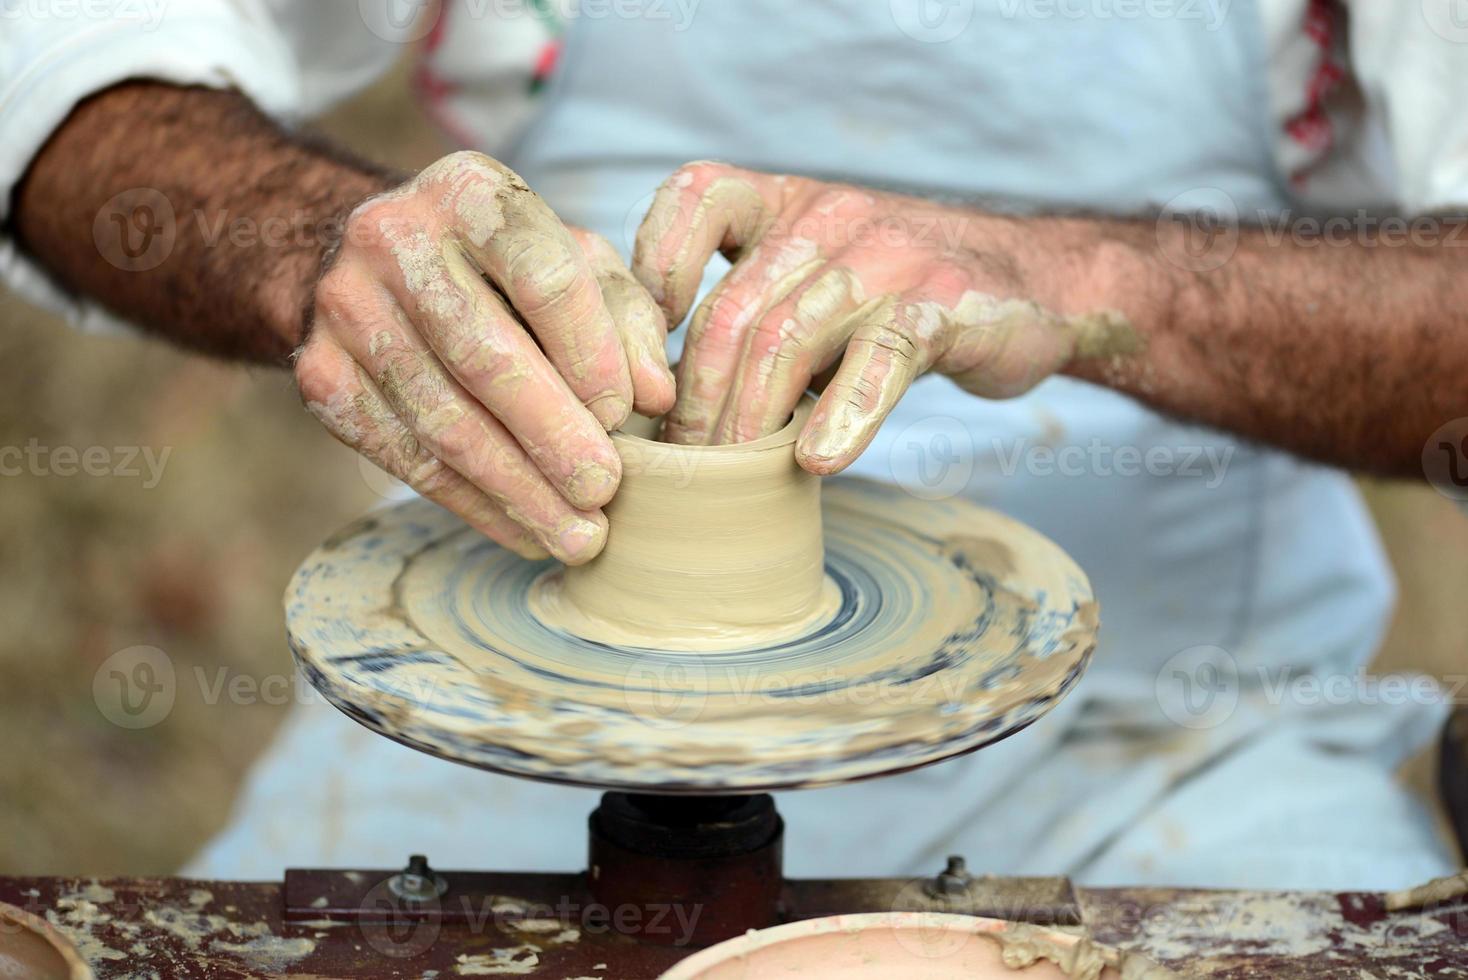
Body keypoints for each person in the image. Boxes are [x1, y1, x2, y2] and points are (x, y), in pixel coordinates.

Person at [3, 1, 1463, 888]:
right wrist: (310, 246)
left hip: (1171, 722)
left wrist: (1094, 288)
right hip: (520, 711)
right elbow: (58, 61)